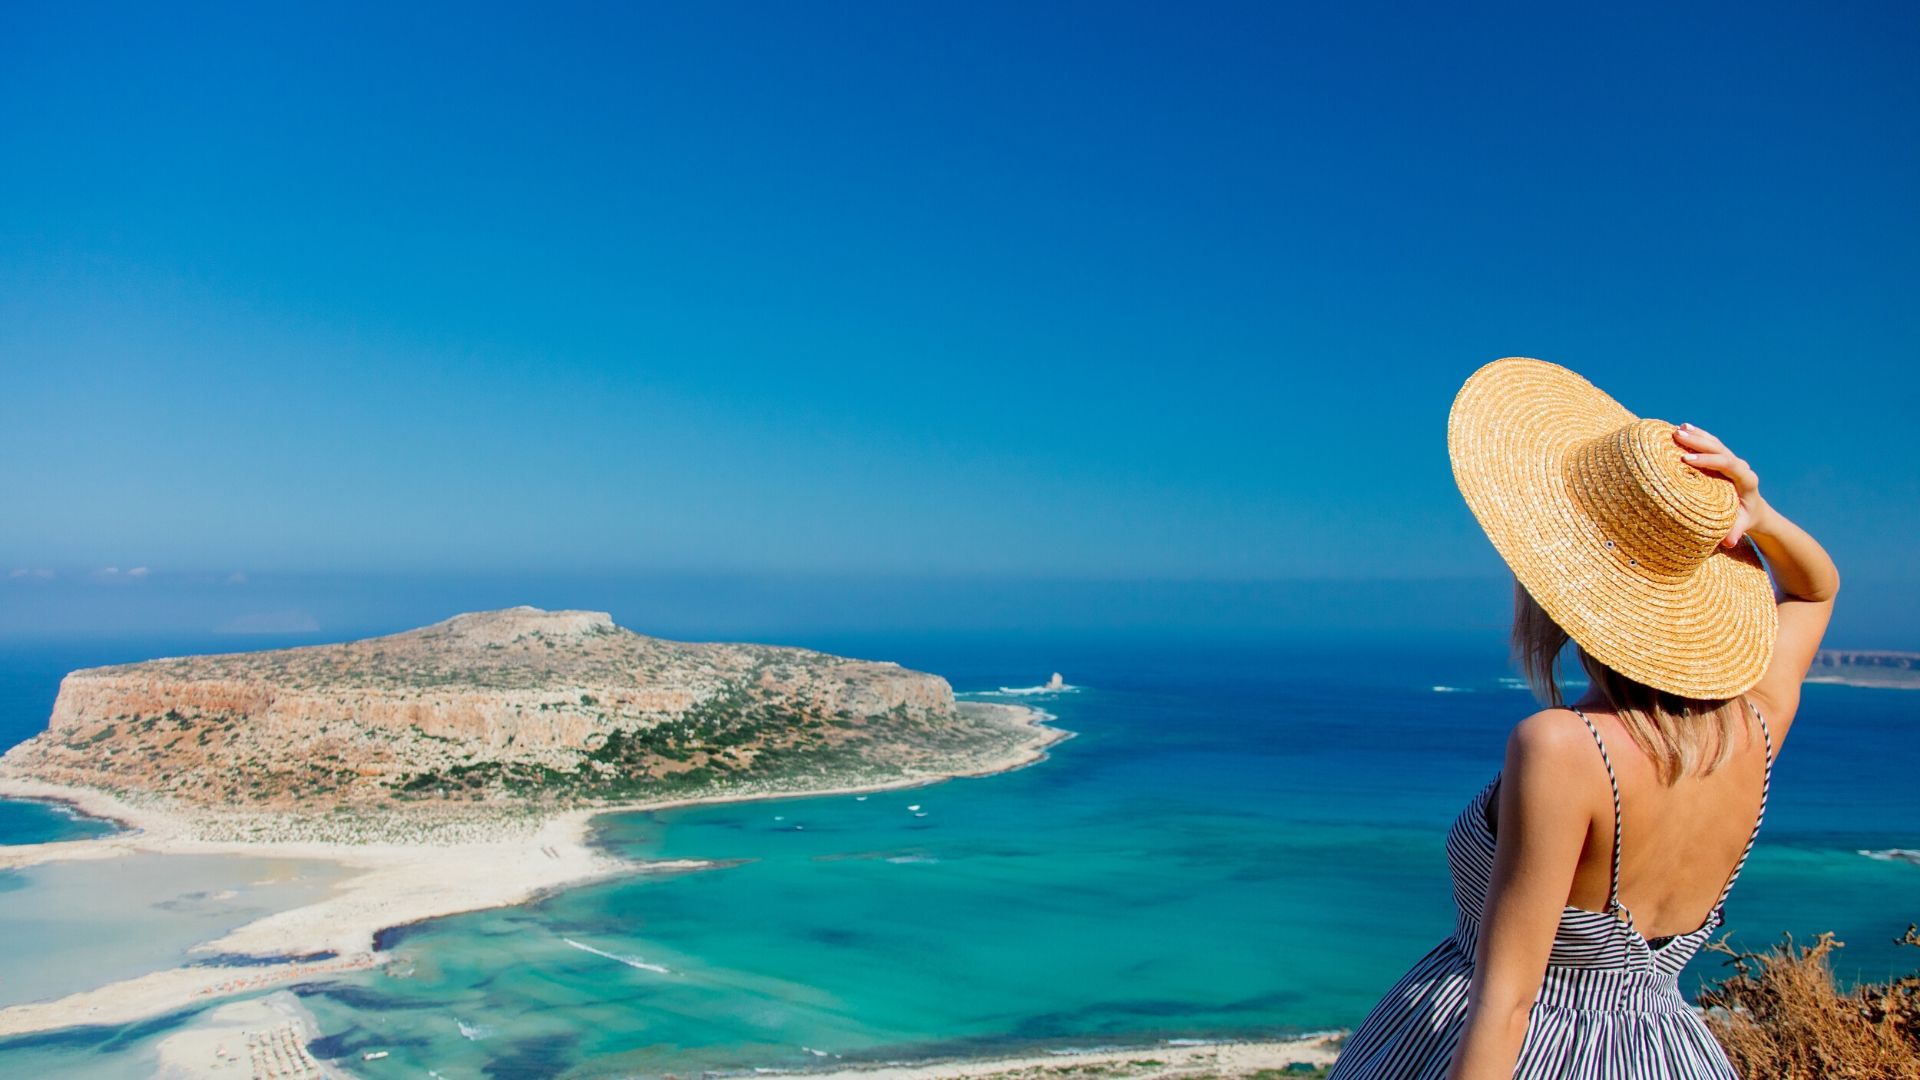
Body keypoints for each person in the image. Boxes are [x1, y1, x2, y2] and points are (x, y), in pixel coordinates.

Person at [1326, 357, 1840, 1079]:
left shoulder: (1563, 747)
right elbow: (1815, 593)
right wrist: (1758, 512)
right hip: (1665, 1053)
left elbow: (1508, 1001)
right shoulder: (1755, 727)